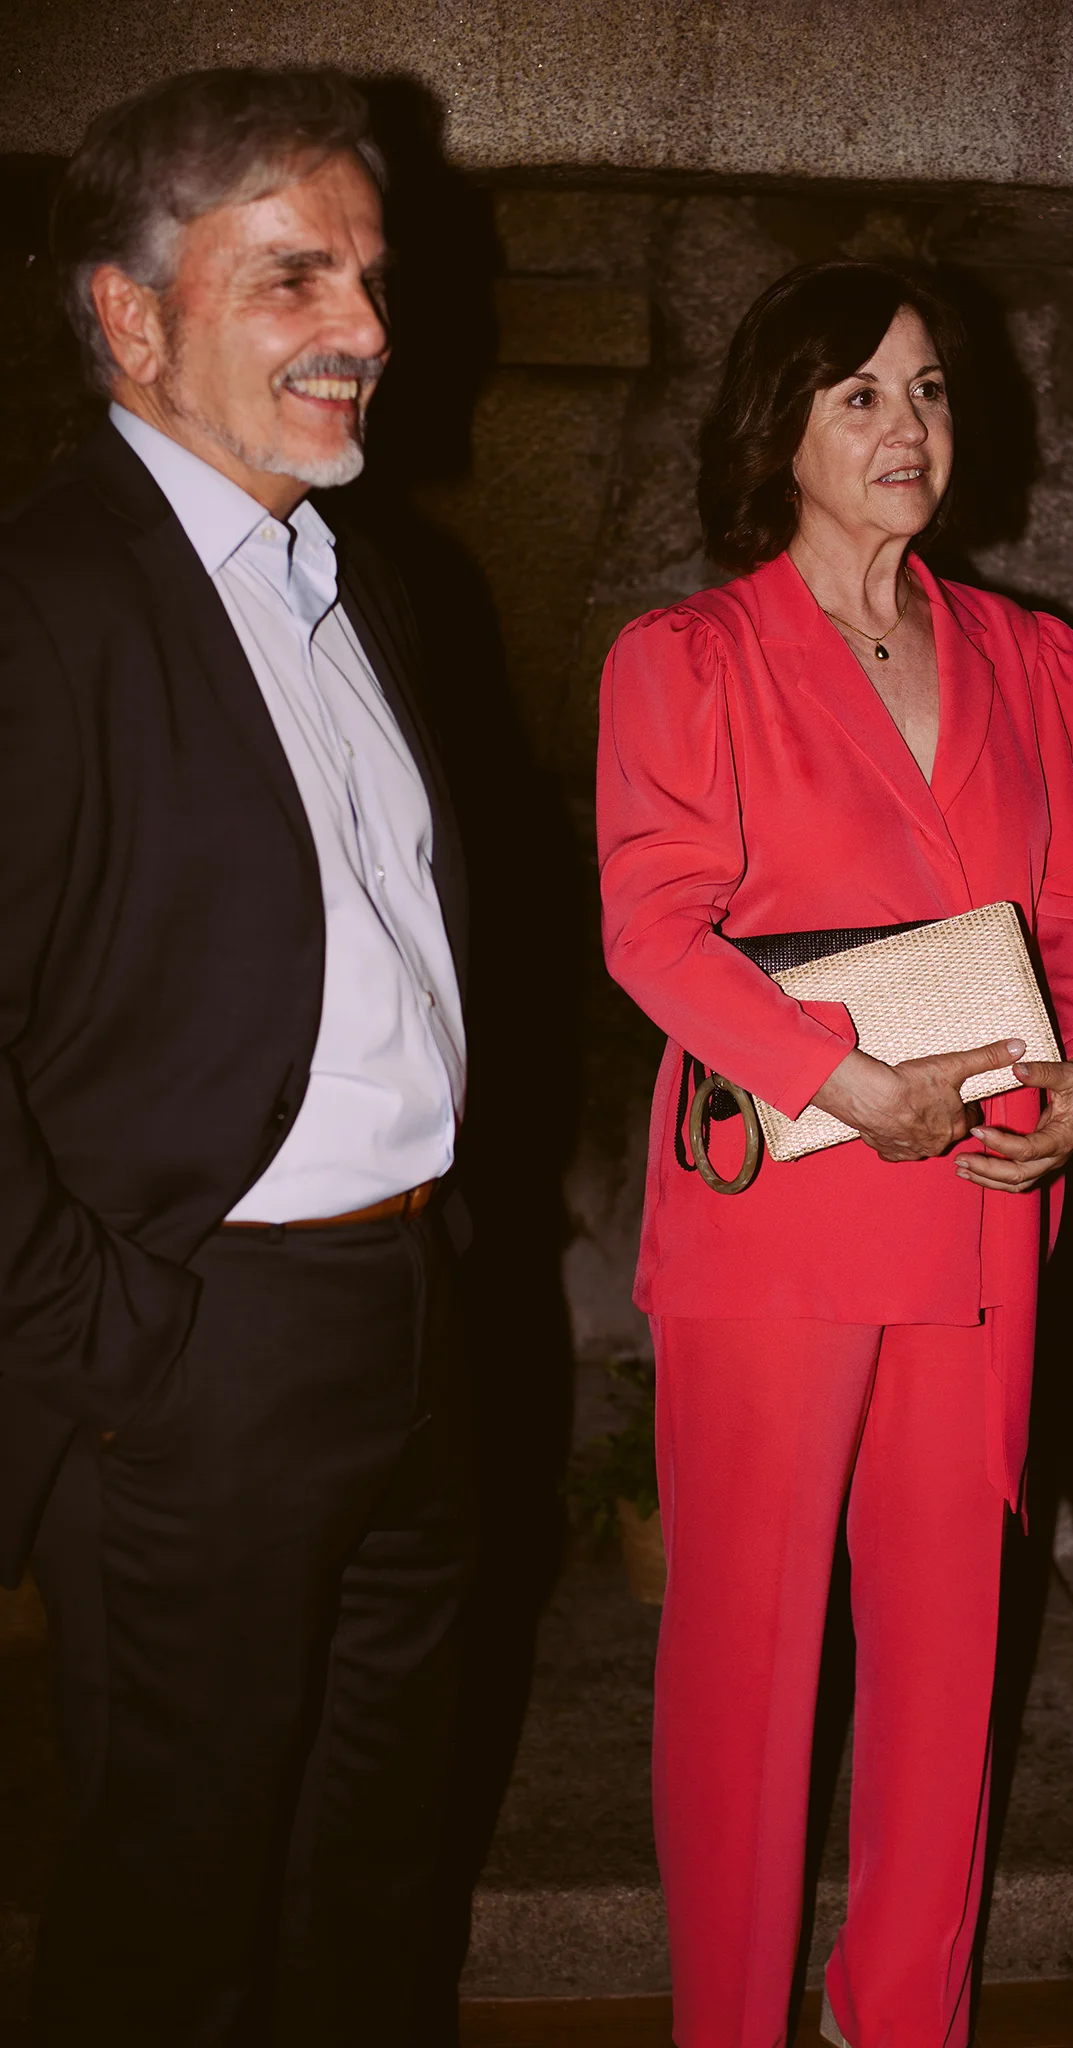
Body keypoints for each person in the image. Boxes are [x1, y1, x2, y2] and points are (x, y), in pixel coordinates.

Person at [597, 261, 1073, 2048]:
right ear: (780, 428)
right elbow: (652, 930)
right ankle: (731, 2025)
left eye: (925, 390)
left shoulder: (1038, 658)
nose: (904, 425)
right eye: (858, 393)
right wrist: (842, 1082)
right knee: (749, 1663)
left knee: (946, 1646)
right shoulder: (685, 660)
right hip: (780, 1211)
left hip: (979, 1209)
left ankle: (902, 2014)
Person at [0, 68, 473, 2044]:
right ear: (132, 317)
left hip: (409, 1319)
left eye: (370, 276)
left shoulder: (361, 583)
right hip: (197, 1350)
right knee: (171, 1919)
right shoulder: (42, 598)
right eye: (293, 275)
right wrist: (110, 1334)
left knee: (373, 1879)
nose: (363, 326)